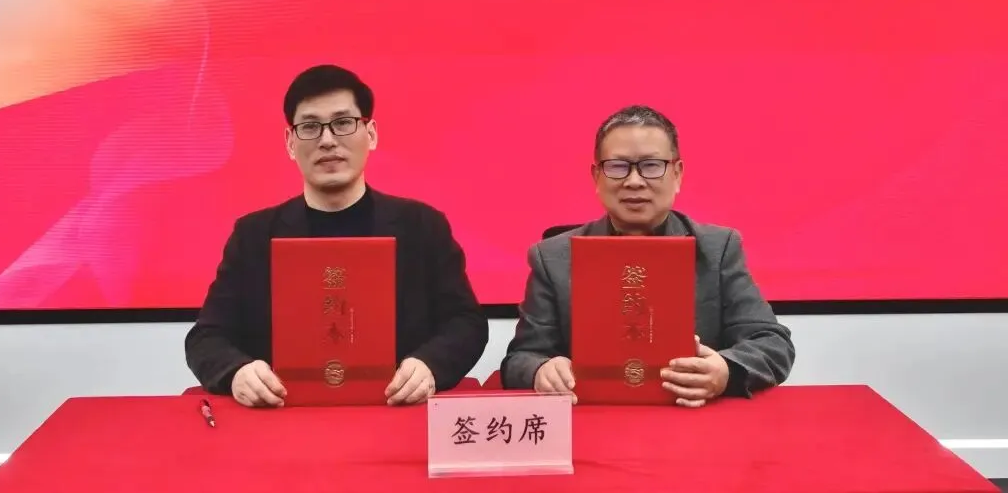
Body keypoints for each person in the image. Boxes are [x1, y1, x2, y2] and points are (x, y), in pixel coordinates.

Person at [185, 64, 488, 407]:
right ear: (290, 142)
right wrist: (237, 372)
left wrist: (428, 365)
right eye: (310, 127)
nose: (327, 140)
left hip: (398, 412)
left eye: (343, 123)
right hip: (283, 416)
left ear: (370, 134)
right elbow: (206, 337)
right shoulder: (253, 236)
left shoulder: (422, 227)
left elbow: (466, 323)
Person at [501, 105, 795, 407]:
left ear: (677, 174)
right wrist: (540, 370)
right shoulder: (553, 257)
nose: (634, 181)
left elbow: (772, 343)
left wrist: (726, 370)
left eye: (651, 166)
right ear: (596, 176)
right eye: (617, 166)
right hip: (593, 418)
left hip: (690, 419)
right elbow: (521, 358)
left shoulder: (717, 248)